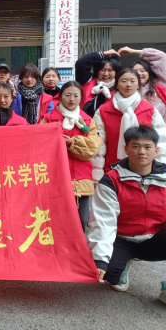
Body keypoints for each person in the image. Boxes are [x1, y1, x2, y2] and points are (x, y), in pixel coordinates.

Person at [87, 125, 166, 308]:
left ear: (156, 151)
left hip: (155, 237)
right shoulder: (111, 180)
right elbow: (103, 222)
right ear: (126, 149)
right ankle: (122, 264)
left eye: (147, 147)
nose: (141, 152)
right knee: (107, 273)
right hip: (121, 238)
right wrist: (100, 259)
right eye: (135, 146)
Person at [40, 81, 102, 231]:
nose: (72, 99)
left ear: (81, 97)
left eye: (76, 95)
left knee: (82, 221)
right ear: (60, 96)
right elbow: (39, 146)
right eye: (68, 95)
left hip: (82, 178)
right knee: (57, 222)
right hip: (55, 176)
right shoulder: (48, 119)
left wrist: (71, 143)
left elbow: (92, 149)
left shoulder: (88, 121)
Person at [92, 68, 166, 183]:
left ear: (138, 85)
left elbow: (161, 144)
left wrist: (164, 173)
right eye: (124, 81)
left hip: (145, 172)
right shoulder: (103, 111)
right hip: (112, 171)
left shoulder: (150, 110)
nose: (128, 84)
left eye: (133, 81)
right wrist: (96, 177)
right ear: (117, 85)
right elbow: (98, 146)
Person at [120, 46, 166, 154]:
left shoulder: (161, 84)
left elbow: (161, 57)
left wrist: (133, 51)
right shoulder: (129, 90)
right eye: (136, 71)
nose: (139, 73)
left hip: (164, 139)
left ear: (149, 72)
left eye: (143, 70)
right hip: (139, 141)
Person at [75, 49, 123, 117]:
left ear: (116, 72)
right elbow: (81, 64)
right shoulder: (88, 82)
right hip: (87, 122)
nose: (106, 74)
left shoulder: (120, 88)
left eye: (110, 70)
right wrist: (102, 54)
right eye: (102, 70)